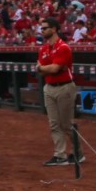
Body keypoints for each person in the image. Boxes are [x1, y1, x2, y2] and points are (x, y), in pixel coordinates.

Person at [37, 18, 81, 166]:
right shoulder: (43, 49)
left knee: (66, 124)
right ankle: (60, 155)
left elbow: (54, 69)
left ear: (54, 29)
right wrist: (47, 68)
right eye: (41, 28)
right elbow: (42, 71)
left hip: (65, 87)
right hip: (49, 87)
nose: (42, 30)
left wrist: (46, 67)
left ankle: (78, 153)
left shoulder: (63, 47)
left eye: (45, 28)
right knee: (54, 124)